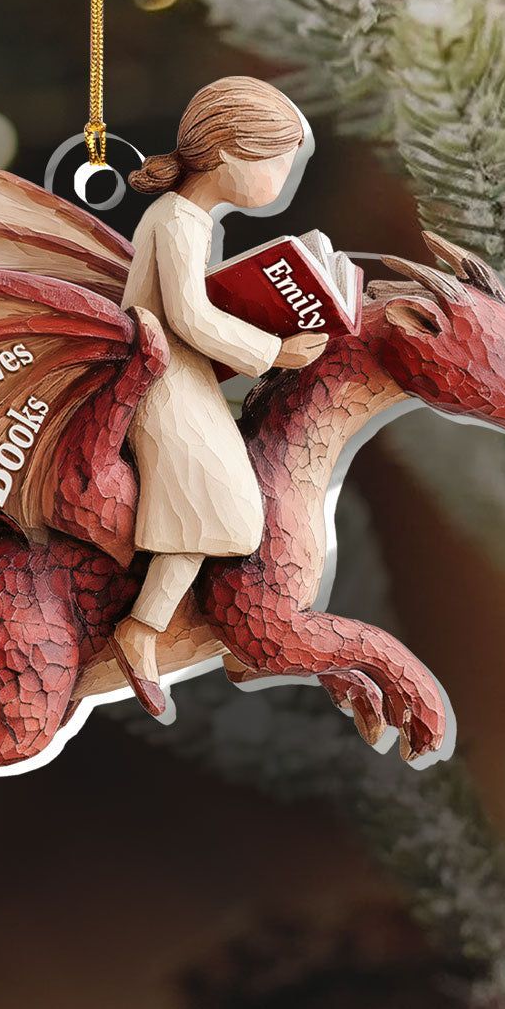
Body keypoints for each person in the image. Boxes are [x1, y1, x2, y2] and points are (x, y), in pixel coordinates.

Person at [112, 77, 327, 719]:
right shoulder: (179, 219)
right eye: (276, 163)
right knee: (221, 503)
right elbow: (188, 316)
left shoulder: (189, 218)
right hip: (161, 379)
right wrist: (275, 350)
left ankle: (205, 630)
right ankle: (142, 628)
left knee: (228, 504)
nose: (283, 181)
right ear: (230, 151)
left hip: (183, 374)